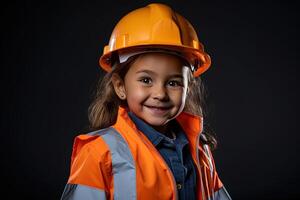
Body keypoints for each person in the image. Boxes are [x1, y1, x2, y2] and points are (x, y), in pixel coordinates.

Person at [61, 3, 232, 200]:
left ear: (188, 88)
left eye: (174, 82)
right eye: (146, 80)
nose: (160, 93)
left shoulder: (200, 151)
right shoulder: (99, 153)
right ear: (120, 86)